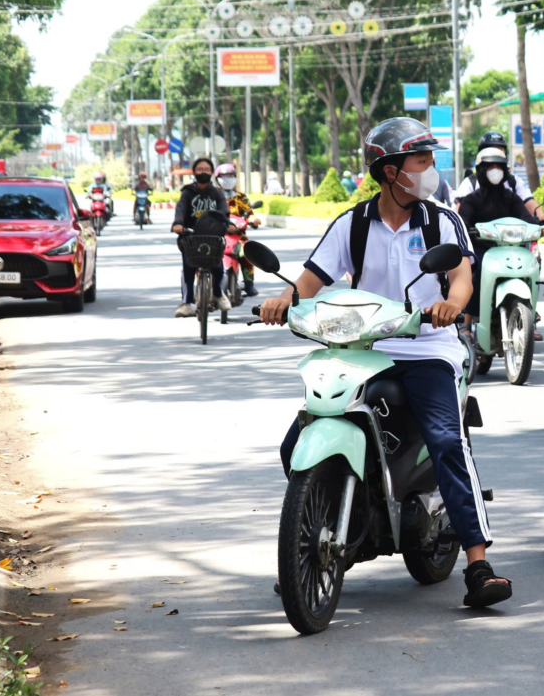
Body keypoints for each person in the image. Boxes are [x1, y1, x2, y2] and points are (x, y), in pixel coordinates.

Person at [258, 117, 512, 608]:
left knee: (445, 440)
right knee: (295, 442)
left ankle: (478, 563)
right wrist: (282, 299)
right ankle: (315, 539)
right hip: (364, 349)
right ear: (390, 171)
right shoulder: (352, 223)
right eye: (421, 161)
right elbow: (311, 280)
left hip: (427, 348)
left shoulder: (442, 219)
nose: (430, 170)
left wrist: (452, 305)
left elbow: (462, 275)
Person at [456, 146, 541, 333]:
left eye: (498, 166)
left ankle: (529, 315)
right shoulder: (471, 199)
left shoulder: (510, 197)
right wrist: (467, 230)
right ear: (480, 170)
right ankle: (467, 323)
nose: (494, 170)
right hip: (481, 249)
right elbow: (461, 221)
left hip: (510, 248)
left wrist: (539, 225)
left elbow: (525, 216)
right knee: (474, 274)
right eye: (489, 166)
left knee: (531, 267)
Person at [171, 157, 236, 318]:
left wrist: (227, 223)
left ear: (212, 173)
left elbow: (223, 211)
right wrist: (178, 224)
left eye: (207, 169)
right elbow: (180, 209)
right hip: (190, 236)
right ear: (194, 172)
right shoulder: (187, 192)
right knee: (188, 267)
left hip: (212, 236)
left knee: (218, 268)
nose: (203, 172)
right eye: (200, 169)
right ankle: (187, 303)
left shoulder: (217, 193)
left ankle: (217, 293)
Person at [454, 131, 544, 221]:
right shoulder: (470, 186)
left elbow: (528, 207)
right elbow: (460, 217)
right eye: (490, 165)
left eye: (499, 165)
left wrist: (541, 219)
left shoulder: (512, 189)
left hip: (512, 236)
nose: (495, 155)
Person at [215, 163, 260, 297]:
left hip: (238, 236)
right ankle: (202, 284)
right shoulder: (213, 196)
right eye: (224, 175)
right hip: (216, 235)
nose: (228, 178)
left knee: (247, 253)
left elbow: (249, 213)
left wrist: (253, 220)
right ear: (217, 178)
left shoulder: (241, 197)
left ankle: (249, 283)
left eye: (231, 175)